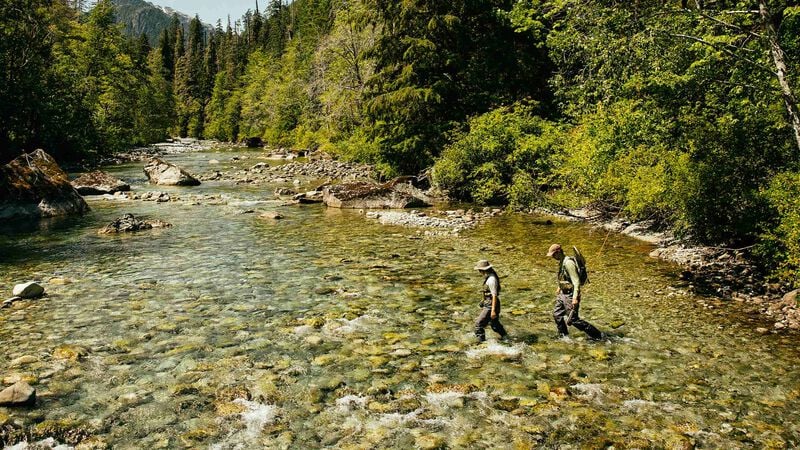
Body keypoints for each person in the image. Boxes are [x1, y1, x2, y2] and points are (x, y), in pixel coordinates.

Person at [546, 244, 603, 340]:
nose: (552, 257)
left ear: (559, 252)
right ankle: (564, 337)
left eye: (553, 254)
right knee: (557, 315)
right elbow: (565, 277)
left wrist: (575, 298)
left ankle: (598, 336)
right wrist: (559, 287)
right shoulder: (562, 262)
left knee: (573, 320)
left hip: (570, 294)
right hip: (562, 294)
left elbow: (576, 282)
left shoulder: (568, 263)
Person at [473, 260, 508, 342]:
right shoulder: (489, 276)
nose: (479, 271)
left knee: (478, 325)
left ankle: (482, 343)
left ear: (483, 270)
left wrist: (492, 311)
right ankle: (505, 337)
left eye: (479, 270)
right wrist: (483, 301)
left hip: (491, 305)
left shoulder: (492, 279)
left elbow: (494, 295)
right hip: (489, 303)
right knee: (494, 325)